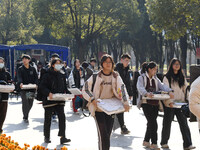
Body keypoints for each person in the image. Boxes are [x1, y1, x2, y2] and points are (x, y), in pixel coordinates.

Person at [82, 54, 130, 150]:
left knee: (107, 135)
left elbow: (122, 89)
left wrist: (126, 102)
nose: (108, 64)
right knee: (103, 135)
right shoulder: (95, 76)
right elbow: (85, 89)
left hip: (111, 109)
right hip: (98, 109)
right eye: (106, 62)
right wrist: (92, 99)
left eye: (110, 62)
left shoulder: (116, 76)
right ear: (102, 64)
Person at [137, 61, 174, 150]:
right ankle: (154, 143)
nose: (155, 71)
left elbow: (162, 86)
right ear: (149, 69)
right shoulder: (141, 78)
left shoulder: (155, 78)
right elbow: (140, 87)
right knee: (153, 123)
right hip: (146, 103)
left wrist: (169, 90)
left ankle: (146, 141)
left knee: (151, 122)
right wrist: (146, 93)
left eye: (156, 70)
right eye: (154, 69)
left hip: (155, 103)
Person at [160, 58, 195, 150]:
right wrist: (169, 102)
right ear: (171, 65)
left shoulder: (182, 77)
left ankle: (188, 144)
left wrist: (188, 101)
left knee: (184, 124)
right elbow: (165, 91)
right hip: (170, 104)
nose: (177, 66)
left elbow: (186, 90)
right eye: (175, 64)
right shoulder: (166, 77)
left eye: (178, 64)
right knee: (167, 124)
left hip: (181, 104)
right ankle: (164, 142)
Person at [40, 58, 71, 144]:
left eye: (60, 64)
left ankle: (63, 137)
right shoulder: (47, 74)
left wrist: (69, 94)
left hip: (59, 99)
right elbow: (42, 86)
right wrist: (48, 93)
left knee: (62, 117)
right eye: (57, 63)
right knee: (48, 119)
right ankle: (46, 136)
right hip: (49, 100)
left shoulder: (62, 75)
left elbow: (65, 87)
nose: (59, 65)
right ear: (53, 65)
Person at [115, 53, 133, 134]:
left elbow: (128, 82)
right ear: (121, 60)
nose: (127, 62)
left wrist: (130, 93)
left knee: (120, 109)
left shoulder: (128, 69)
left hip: (124, 92)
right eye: (126, 60)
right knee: (117, 109)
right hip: (116, 91)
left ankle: (122, 127)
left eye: (128, 61)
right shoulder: (116, 69)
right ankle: (122, 126)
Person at [17, 54, 38, 123]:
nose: (24, 60)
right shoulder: (20, 69)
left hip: (31, 89)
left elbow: (36, 78)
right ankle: (25, 116)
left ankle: (26, 113)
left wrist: (36, 84)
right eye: (23, 59)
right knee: (25, 103)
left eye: (26, 59)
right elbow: (19, 77)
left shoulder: (33, 69)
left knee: (30, 103)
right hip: (24, 89)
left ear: (29, 60)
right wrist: (20, 83)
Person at [0, 57, 11, 134]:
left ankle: (0, 128)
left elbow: (10, 83)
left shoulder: (7, 74)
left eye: (2, 62)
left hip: (4, 96)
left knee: (3, 113)